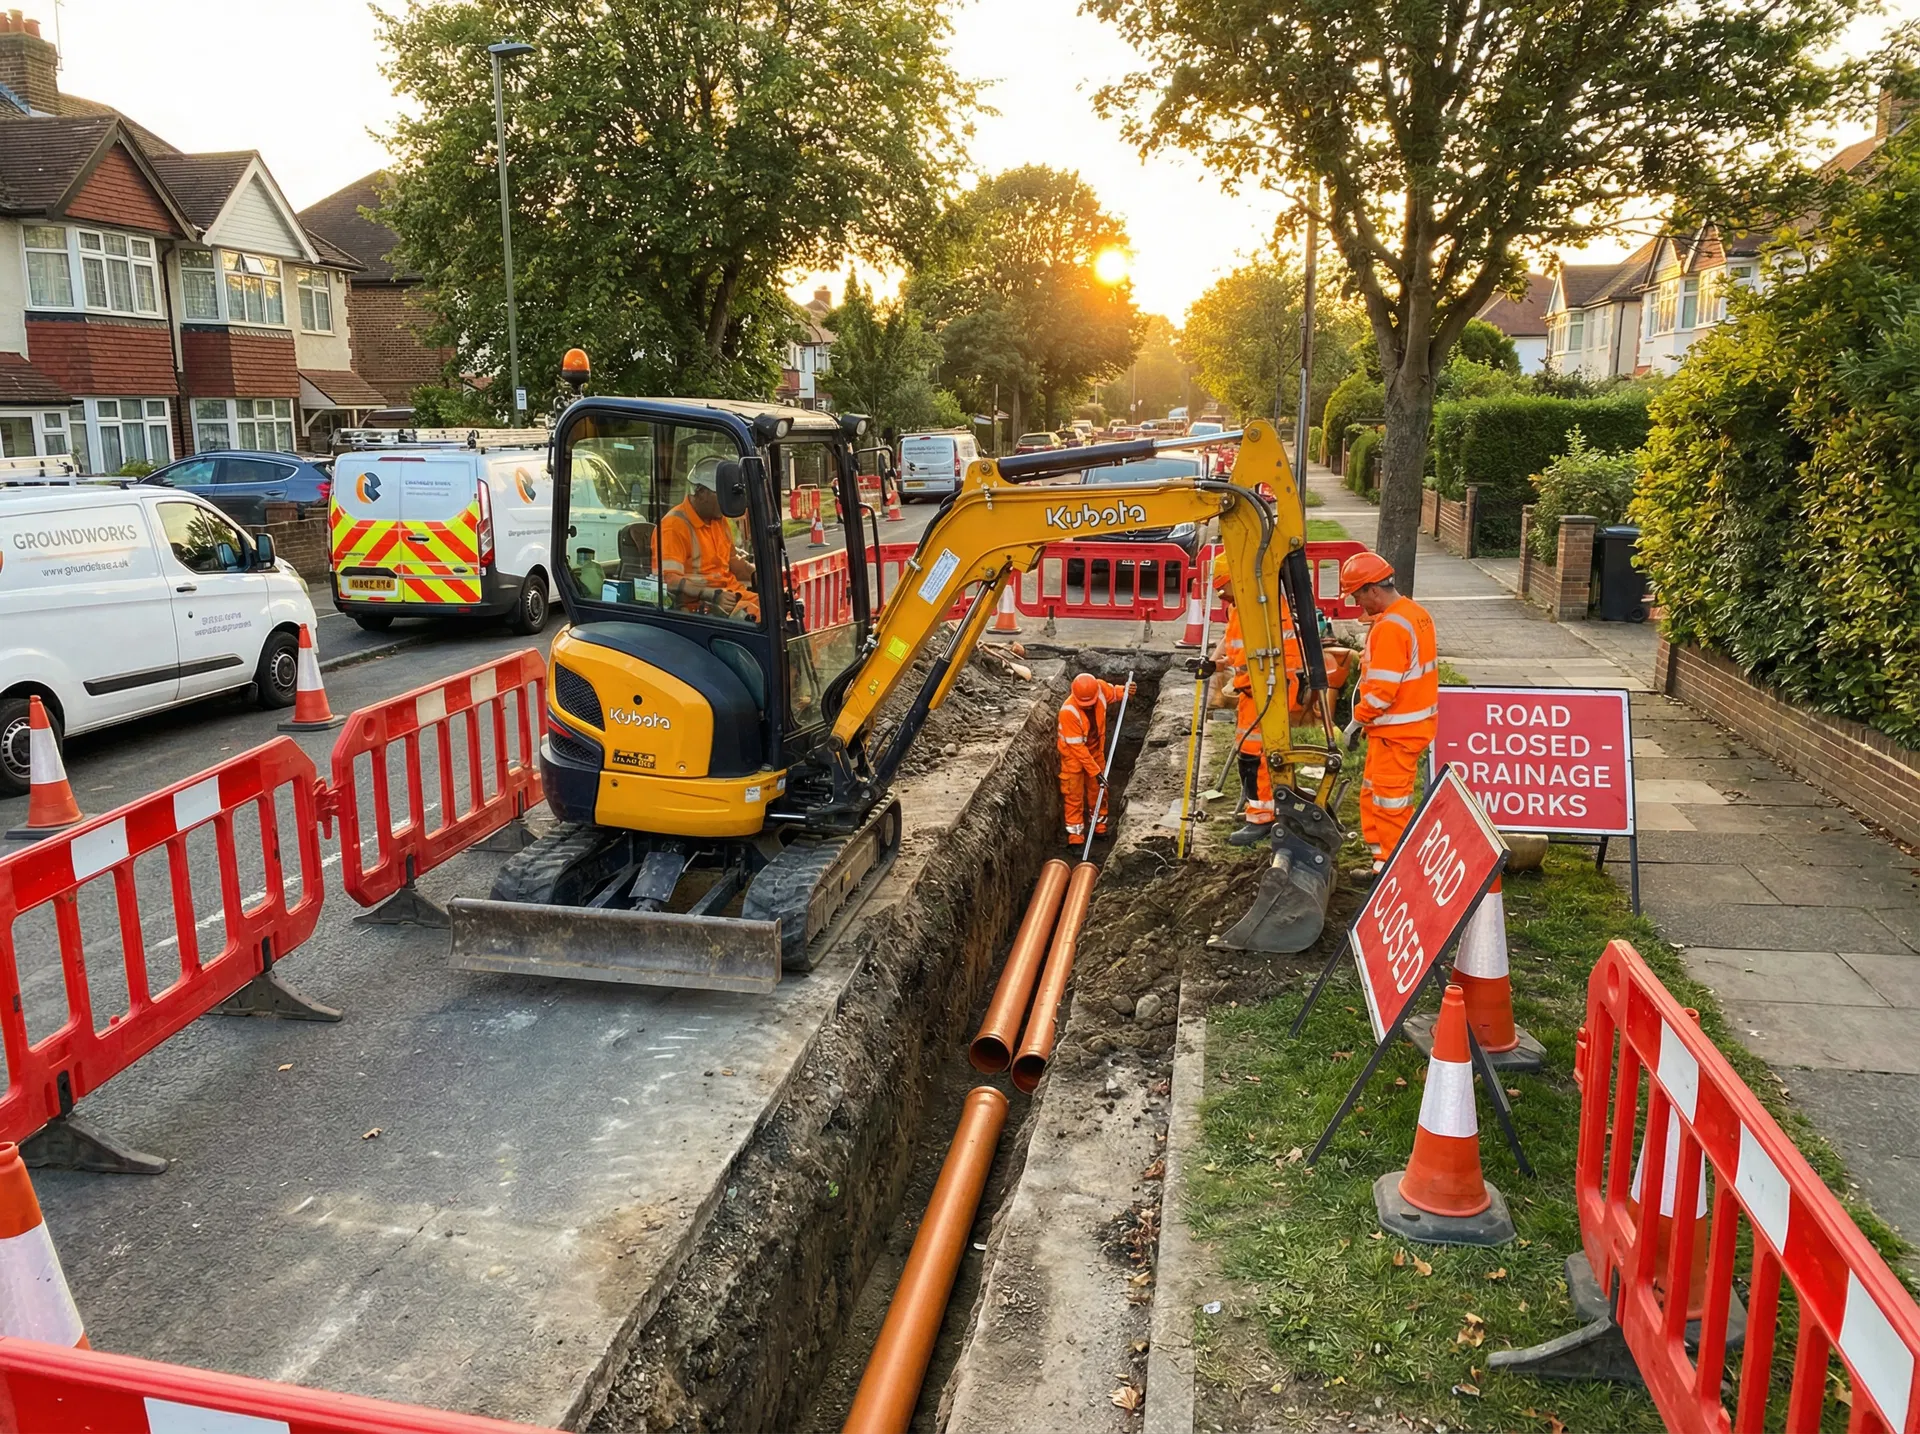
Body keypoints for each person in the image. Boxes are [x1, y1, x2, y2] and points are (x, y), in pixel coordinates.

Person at [1339, 550, 1438, 873]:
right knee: (1374, 796)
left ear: (1373, 589)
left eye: (1358, 596)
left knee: (1391, 804)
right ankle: (1383, 863)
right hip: (1403, 729)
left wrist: (1357, 721)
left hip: (1397, 732)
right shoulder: (1415, 614)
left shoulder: (1390, 628)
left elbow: (1382, 691)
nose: (1358, 604)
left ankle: (1397, 873)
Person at [1208, 555, 1278, 846]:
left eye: (1223, 590)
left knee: (1256, 757)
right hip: (1250, 692)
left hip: (1263, 693)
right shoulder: (1240, 610)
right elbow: (1240, 654)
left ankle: (1262, 817)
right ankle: (1258, 811)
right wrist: (1219, 665)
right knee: (1249, 756)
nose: (1222, 598)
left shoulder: (1258, 609)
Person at [654, 459, 759, 621]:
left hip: (731, 596)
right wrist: (710, 594)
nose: (727, 501)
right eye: (721, 495)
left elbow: (731, 561)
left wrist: (759, 574)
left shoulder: (720, 520)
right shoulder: (673, 526)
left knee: (778, 609)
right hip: (700, 607)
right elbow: (666, 579)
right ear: (701, 492)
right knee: (759, 618)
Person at [1058, 672, 1132, 845]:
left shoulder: (1099, 689)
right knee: (1073, 796)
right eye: (1086, 705)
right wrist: (1095, 772)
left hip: (1095, 752)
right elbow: (1078, 749)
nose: (1089, 707)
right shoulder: (1068, 712)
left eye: (1091, 704)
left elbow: (1113, 692)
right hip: (1073, 758)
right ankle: (1075, 837)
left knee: (1099, 791)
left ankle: (1099, 827)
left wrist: (1127, 690)